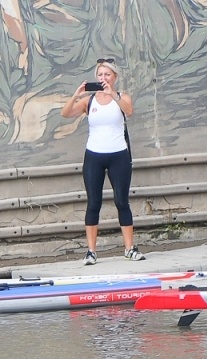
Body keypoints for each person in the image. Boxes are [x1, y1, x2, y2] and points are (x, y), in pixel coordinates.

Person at [61, 58, 144, 265]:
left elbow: (129, 111)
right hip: (94, 156)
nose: (103, 78)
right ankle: (91, 251)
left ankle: (129, 248)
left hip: (119, 155)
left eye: (107, 74)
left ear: (114, 77)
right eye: (100, 75)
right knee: (93, 203)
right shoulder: (89, 101)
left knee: (121, 201)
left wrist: (113, 94)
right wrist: (76, 95)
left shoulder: (121, 96)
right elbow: (66, 113)